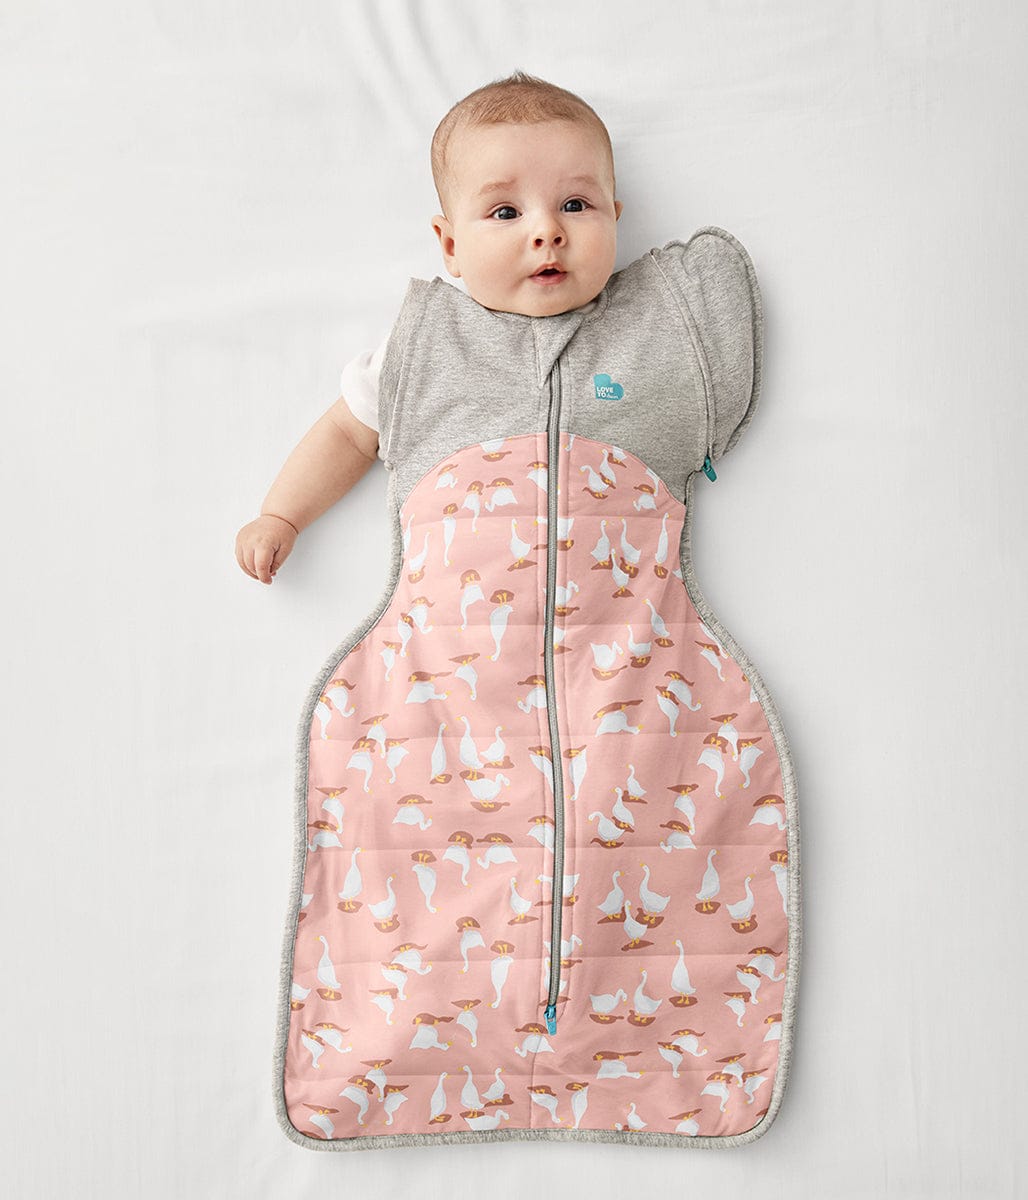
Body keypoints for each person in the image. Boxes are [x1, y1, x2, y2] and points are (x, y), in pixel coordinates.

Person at [234, 70, 623, 584]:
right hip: (455, 613)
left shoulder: (651, 331)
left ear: (615, 218)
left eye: (575, 205)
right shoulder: (428, 344)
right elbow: (348, 432)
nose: (547, 231)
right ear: (451, 246)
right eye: (506, 211)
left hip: (621, 611)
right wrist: (281, 515)